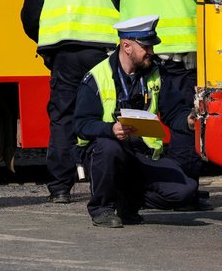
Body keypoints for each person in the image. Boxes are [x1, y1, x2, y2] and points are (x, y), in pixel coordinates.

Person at [20, 0, 120, 203]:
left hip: (62, 55)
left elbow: (29, 15)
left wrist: (47, 41)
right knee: (106, 114)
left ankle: (60, 189)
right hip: (102, 53)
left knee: (62, 117)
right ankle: (102, 184)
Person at [110, 0, 205, 197]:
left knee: (138, 122)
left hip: (137, 56)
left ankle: (140, 185)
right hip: (180, 56)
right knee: (182, 124)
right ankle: (182, 187)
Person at [74, 15, 199, 228]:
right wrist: (110, 129)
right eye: (146, 47)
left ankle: (128, 202)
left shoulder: (156, 73)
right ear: (126, 46)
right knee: (108, 148)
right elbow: (81, 125)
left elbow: (173, 112)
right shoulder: (97, 77)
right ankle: (101, 209)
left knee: (186, 191)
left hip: (143, 155)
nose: (152, 52)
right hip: (111, 152)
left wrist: (188, 120)